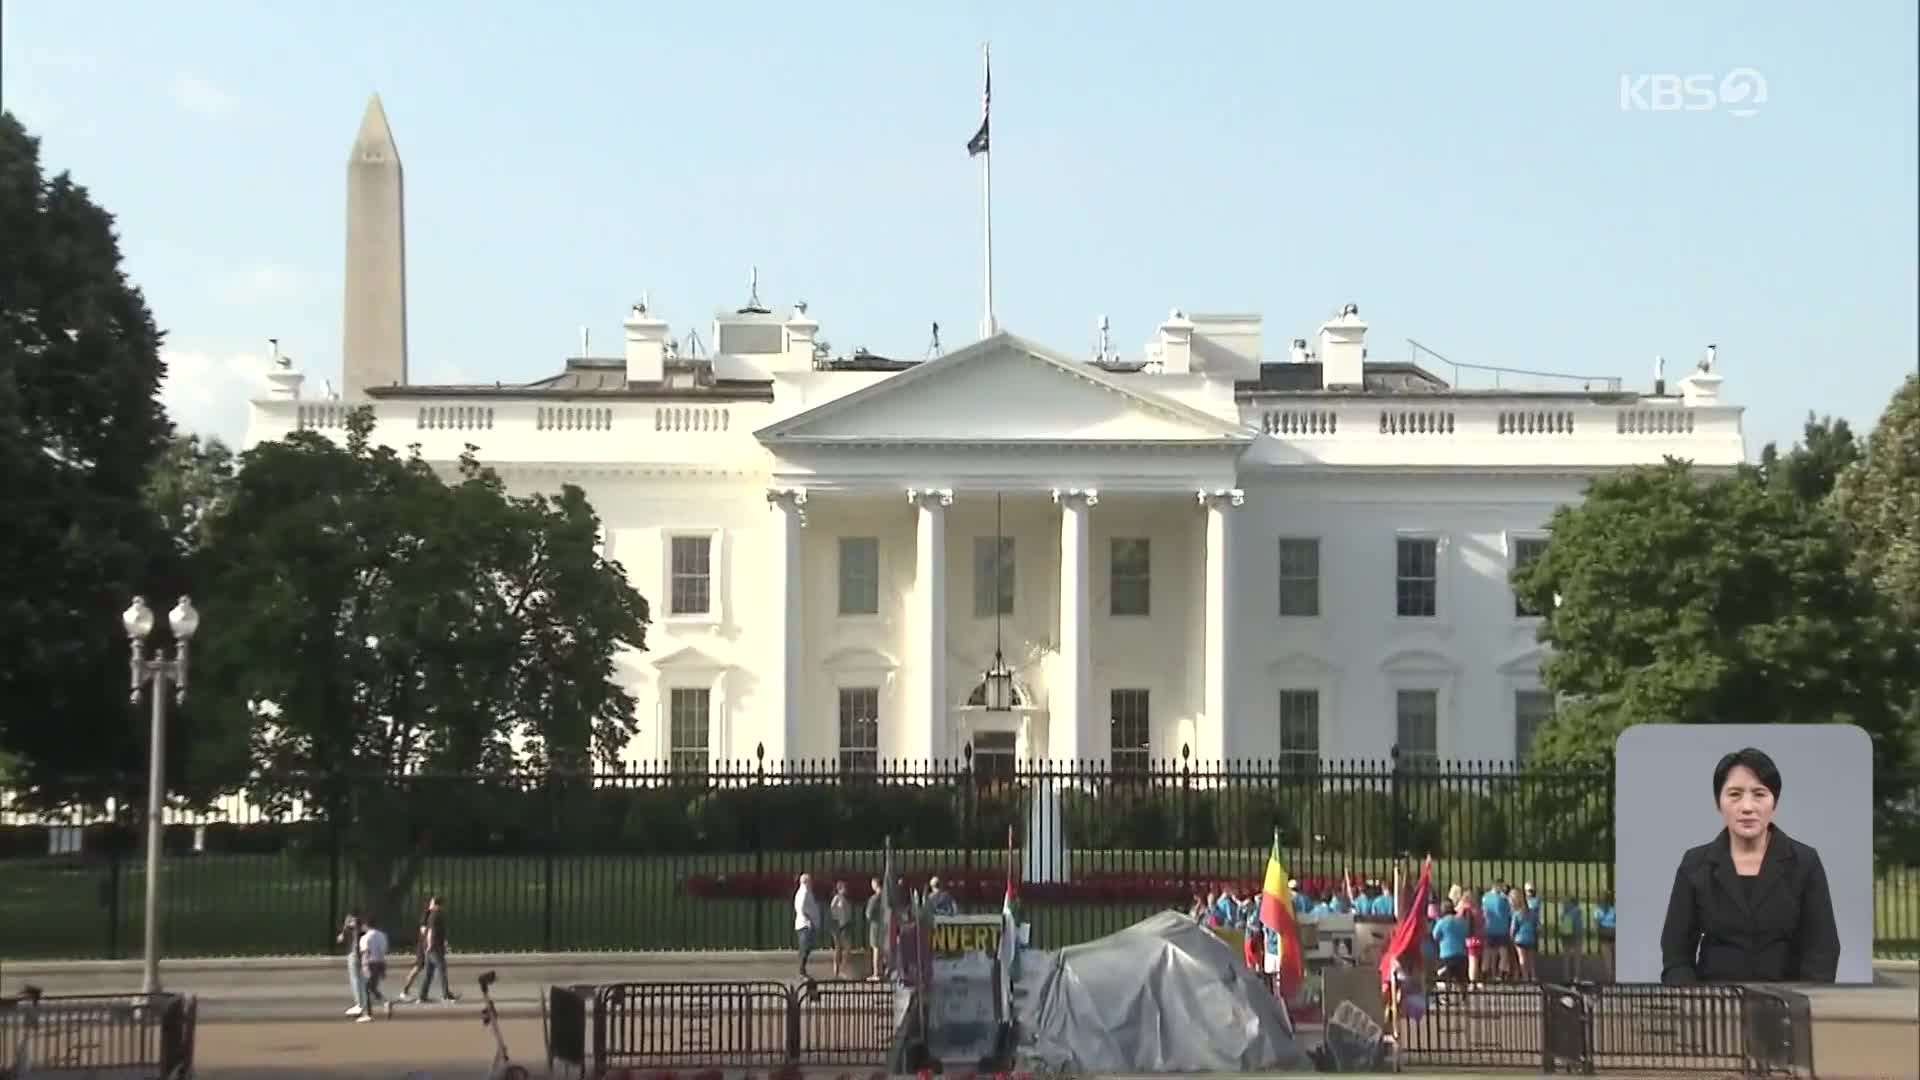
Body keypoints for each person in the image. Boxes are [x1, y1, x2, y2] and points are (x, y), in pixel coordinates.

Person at [1660, 747, 1841, 984]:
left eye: (1759, 794)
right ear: (1718, 802)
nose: (1747, 807)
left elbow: (1822, 949)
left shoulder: (1804, 862)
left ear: (1774, 802)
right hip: (1715, 1005)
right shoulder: (1695, 864)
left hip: (1787, 1004)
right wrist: (1693, 1002)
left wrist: (1806, 1003)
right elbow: (1676, 953)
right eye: (1734, 794)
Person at [357, 916, 390, 1022]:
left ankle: (368, 1014)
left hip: (370, 963)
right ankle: (385, 1002)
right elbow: (383, 952)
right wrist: (383, 968)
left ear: (366, 925)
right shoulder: (382, 936)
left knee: (366, 988)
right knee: (372, 987)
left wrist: (364, 967)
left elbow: (365, 953)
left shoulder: (365, 938)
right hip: (380, 962)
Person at [1432, 899, 1470, 984]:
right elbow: (1467, 933)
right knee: (1461, 978)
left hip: (1446, 954)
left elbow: (1435, 936)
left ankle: (1447, 994)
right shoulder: (1462, 921)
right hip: (1461, 954)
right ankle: (1463, 995)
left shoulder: (1441, 922)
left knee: (1447, 978)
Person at [337, 910, 366, 1017]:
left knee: (355, 979)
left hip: (354, 953)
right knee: (362, 979)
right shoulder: (363, 926)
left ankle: (359, 1005)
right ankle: (364, 1003)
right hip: (363, 954)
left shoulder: (352, 926)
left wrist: (346, 926)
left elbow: (341, 938)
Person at [794, 873, 822, 979]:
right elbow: (802, 908)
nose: (812, 882)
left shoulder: (805, 892)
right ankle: (801, 971)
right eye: (810, 880)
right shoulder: (804, 892)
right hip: (805, 924)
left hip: (806, 924)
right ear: (806, 881)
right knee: (805, 947)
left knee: (806, 947)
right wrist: (809, 920)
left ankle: (802, 970)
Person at [1509, 886, 1539, 981]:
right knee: (1531, 960)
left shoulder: (1517, 913)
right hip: (1530, 938)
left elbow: (1513, 928)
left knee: (1522, 959)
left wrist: (1511, 936)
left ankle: (1525, 977)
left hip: (1519, 938)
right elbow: (1537, 925)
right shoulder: (1531, 913)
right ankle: (1533, 976)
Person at [829, 880, 855, 979]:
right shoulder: (837, 899)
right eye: (844, 888)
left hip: (843, 925)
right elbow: (834, 912)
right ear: (839, 889)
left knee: (841, 948)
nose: (846, 890)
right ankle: (839, 969)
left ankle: (839, 969)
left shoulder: (843, 899)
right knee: (842, 948)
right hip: (840, 926)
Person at [865, 876, 888, 981]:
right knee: (883, 949)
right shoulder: (887, 897)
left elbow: (869, 914)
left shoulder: (874, 898)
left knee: (876, 949)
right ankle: (883, 971)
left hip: (876, 925)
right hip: (885, 925)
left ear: (875, 884)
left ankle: (876, 973)